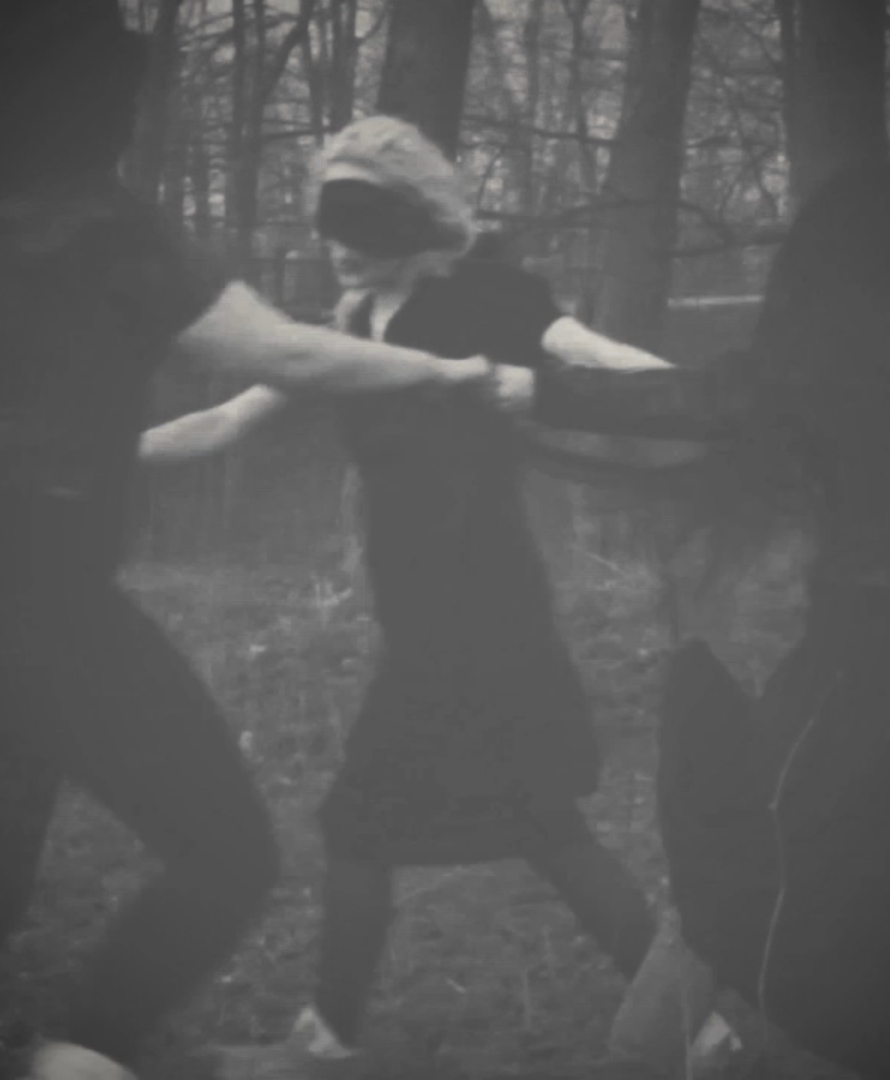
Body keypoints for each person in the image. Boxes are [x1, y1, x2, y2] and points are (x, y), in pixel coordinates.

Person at [0, 6, 506, 1080]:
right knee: (228, 857)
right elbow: (283, 352)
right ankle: (81, 1058)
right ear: (102, 107)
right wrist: (454, 373)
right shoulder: (115, 228)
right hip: (41, 591)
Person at [495, 157, 890, 1080]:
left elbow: (691, 402)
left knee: (771, 884)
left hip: (867, 686)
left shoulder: (829, 366)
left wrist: (522, 390)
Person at [144, 115, 672, 1076]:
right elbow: (223, 422)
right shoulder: (348, 331)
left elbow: (596, 354)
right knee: (547, 830)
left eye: (364, 223)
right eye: (331, 224)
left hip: (482, 622)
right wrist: (93, 457)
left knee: (360, 826)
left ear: (416, 221)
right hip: (427, 627)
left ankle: (324, 1048)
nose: (341, 247)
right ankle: (700, 1038)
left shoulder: (484, 297)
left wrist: (724, 400)